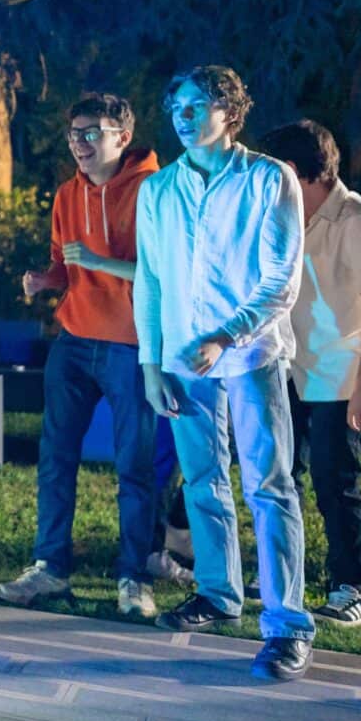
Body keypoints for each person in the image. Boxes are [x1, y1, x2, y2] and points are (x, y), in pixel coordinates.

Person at [136, 66, 316, 681]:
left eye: (197, 106)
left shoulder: (269, 178)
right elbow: (150, 280)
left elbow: (281, 279)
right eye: (177, 107)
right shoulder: (158, 190)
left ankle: (288, 624)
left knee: (269, 484)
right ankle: (217, 592)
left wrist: (226, 335)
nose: (183, 117)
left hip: (251, 355)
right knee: (200, 479)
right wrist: (151, 361)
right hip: (184, 360)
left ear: (230, 112)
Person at [0, 92, 168, 618]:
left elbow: (162, 272)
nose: (80, 143)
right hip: (72, 341)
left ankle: (133, 576)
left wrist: (96, 261)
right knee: (55, 458)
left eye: (92, 132)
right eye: (74, 133)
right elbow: (64, 264)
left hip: (131, 344)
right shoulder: (67, 194)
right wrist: (45, 279)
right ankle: (50, 567)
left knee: (134, 465)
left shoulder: (153, 191)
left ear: (122, 136)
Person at [259, 120, 361, 628]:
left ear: (294, 171)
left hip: (340, 374)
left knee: (336, 484)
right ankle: (284, 578)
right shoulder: (288, 219)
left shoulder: (358, 219)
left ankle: (349, 589)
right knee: (282, 479)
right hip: (289, 368)